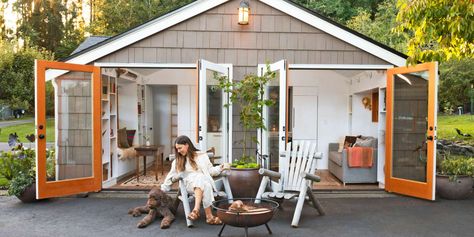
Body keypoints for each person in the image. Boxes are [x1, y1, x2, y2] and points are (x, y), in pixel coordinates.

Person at [161, 135, 225, 225]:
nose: (178, 151)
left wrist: (220, 168)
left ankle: (204, 215)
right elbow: (170, 176)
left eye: (180, 148)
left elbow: (210, 171)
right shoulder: (177, 161)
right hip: (188, 186)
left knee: (205, 183)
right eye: (177, 149)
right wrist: (162, 190)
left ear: (187, 145)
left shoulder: (202, 156)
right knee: (200, 177)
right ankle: (201, 211)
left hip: (202, 183)